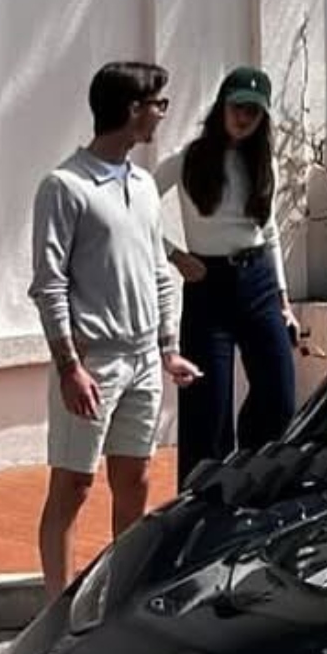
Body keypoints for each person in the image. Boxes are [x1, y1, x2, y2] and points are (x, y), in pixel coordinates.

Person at [29, 61, 202, 602]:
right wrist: (69, 367)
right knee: (74, 485)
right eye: (158, 103)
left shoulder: (145, 185)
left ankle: (123, 603)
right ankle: (55, 611)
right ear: (132, 110)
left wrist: (168, 349)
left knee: (137, 482)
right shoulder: (64, 186)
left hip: (143, 360)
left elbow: (157, 270)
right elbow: (49, 282)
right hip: (92, 361)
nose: (161, 114)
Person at [154, 66, 300, 485]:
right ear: (222, 106)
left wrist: (284, 302)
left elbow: (268, 231)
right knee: (207, 408)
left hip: (258, 283)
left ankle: (253, 482)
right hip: (207, 284)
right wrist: (175, 255)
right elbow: (136, 208)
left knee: (279, 395)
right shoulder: (189, 159)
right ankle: (202, 504)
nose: (243, 118)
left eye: (253, 112)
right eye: (237, 108)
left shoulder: (261, 162)